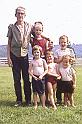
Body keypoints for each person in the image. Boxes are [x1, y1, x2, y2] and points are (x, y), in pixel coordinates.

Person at [7, 6, 32, 106]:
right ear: (15, 14)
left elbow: (38, 34)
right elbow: (8, 43)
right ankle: (19, 100)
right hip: (14, 55)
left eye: (22, 13)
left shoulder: (30, 26)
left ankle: (28, 100)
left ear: (25, 15)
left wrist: (47, 38)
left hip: (25, 55)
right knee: (17, 79)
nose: (20, 15)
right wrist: (9, 58)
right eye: (18, 13)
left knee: (26, 79)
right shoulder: (11, 27)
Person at [54, 35, 76, 105]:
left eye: (64, 42)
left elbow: (74, 59)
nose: (63, 44)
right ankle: (59, 100)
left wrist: (71, 60)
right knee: (59, 87)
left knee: (69, 87)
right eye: (61, 42)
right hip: (60, 72)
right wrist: (62, 58)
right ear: (59, 43)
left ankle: (69, 100)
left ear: (67, 43)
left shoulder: (70, 50)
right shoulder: (57, 51)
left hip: (68, 71)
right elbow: (55, 61)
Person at [28, 45, 48, 110]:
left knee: (42, 92)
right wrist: (33, 76)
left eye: (38, 52)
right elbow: (29, 70)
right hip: (35, 78)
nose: (36, 53)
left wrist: (42, 75)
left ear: (40, 53)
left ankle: (43, 105)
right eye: (35, 52)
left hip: (41, 78)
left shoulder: (43, 61)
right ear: (33, 53)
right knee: (35, 92)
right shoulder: (32, 61)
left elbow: (46, 69)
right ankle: (35, 104)